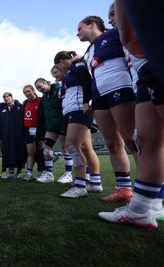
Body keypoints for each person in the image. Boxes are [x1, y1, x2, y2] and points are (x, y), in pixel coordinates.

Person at [98, 0, 164, 228]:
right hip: (143, 73)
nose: (110, 19)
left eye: (113, 13)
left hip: (151, 60)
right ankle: (143, 207)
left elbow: (129, 38)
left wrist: (129, 38)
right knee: (145, 140)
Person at [77, 15, 135, 202]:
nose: (77, 32)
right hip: (99, 96)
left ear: (92, 25)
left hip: (120, 87)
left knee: (133, 140)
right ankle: (124, 189)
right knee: (113, 143)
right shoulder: (89, 49)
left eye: (80, 28)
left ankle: (151, 192)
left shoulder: (114, 33)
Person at [53, 51, 102, 198]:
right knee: (86, 148)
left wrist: (86, 102)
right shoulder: (70, 73)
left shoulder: (77, 65)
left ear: (62, 61)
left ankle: (80, 185)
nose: (59, 70)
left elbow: (87, 81)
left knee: (72, 145)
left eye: (58, 66)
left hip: (79, 109)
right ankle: (95, 183)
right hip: (73, 110)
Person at [34, 76, 73, 184]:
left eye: (40, 87)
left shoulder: (58, 89)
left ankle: (68, 174)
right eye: (38, 89)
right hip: (51, 126)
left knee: (65, 149)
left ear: (46, 82)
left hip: (62, 123)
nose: (40, 90)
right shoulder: (44, 97)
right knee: (46, 149)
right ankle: (49, 174)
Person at [0, 92, 26, 179]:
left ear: (11, 97)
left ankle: (19, 171)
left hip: (18, 134)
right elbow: (2, 123)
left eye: (8, 96)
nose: (6, 98)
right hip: (7, 135)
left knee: (19, 151)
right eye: (4, 97)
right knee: (8, 152)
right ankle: (11, 172)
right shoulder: (4, 109)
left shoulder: (20, 107)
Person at [22, 85, 41, 181]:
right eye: (25, 93)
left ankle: (43, 172)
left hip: (39, 130)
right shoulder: (25, 103)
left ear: (33, 91)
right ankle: (29, 173)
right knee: (30, 152)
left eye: (28, 91)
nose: (27, 94)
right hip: (28, 131)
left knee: (39, 152)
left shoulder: (41, 101)